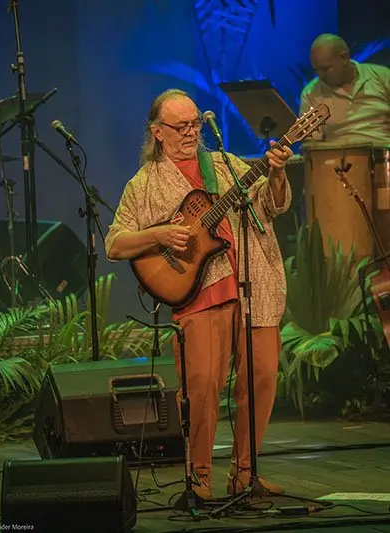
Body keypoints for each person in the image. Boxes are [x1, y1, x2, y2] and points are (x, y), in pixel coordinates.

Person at [105, 89, 293, 500]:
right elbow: (115, 244)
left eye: (195, 124)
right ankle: (200, 480)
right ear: (157, 132)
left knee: (261, 377)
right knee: (204, 386)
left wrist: (276, 173)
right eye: (181, 126)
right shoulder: (144, 184)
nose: (191, 132)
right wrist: (159, 234)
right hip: (200, 292)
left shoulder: (225, 167)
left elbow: (271, 205)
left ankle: (246, 475)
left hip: (253, 285)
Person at [300, 33, 390, 145]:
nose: (320, 75)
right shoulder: (310, 93)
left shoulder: (382, 76)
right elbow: (311, 145)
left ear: (344, 58)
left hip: (383, 154)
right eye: (316, 70)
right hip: (337, 158)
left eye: (325, 69)